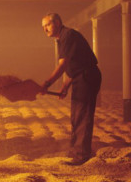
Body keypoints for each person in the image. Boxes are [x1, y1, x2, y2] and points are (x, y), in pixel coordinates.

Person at [40, 13, 101, 165]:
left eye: (47, 25)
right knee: (76, 115)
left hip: (88, 76)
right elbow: (75, 66)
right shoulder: (61, 39)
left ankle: (81, 156)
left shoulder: (68, 35)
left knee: (82, 115)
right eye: (43, 27)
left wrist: (47, 83)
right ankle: (77, 151)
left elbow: (63, 65)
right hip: (80, 76)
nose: (45, 29)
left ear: (58, 23)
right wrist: (64, 87)